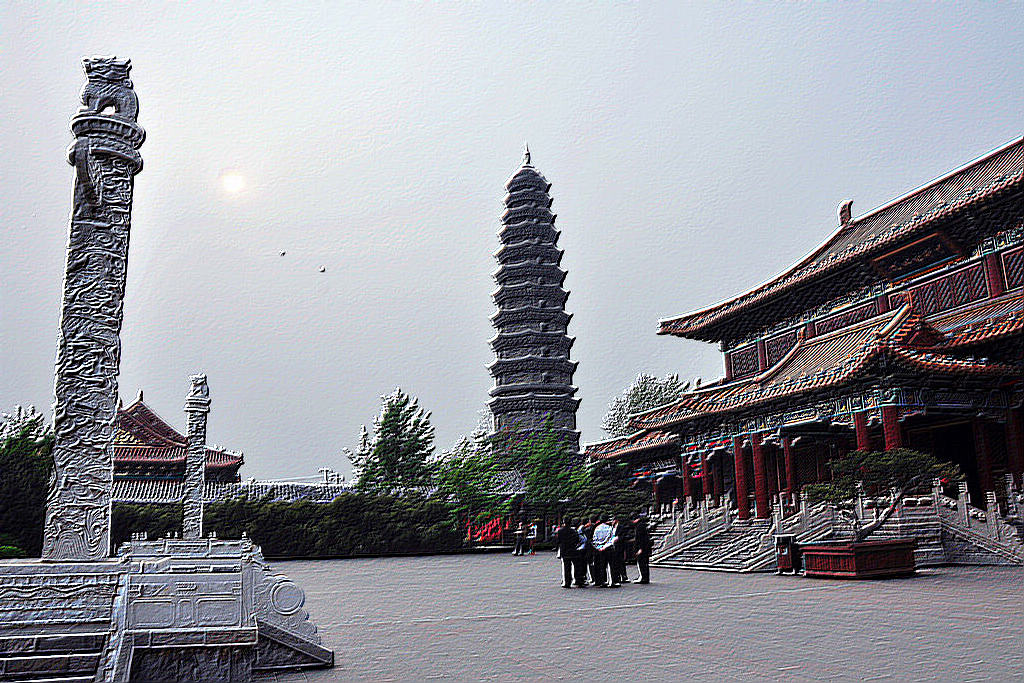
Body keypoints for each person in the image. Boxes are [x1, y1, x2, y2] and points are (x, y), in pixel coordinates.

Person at [591, 515, 619, 587]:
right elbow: (612, 539)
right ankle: (612, 581)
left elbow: (594, 539)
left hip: (600, 549)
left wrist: (599, 547)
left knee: (602, 565)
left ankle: (603, 581)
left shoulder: (597, 528)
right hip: (609, 548)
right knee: (611, 565)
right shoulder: (610, 528)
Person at [555, 517, 580, 588]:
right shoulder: (573, 531)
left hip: (564, 550)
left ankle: (567, 582)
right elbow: (577, 540)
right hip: (572, 550)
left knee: (566, 567)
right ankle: (577, 580)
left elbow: (558, 541)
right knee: (576, 566)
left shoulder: (560, 531)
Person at [632, 514, 652, 584]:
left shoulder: (639, 527)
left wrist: (640, 548)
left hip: (642, 548)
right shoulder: (642, 526)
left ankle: (643, 577)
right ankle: (644, 577)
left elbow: (640, 539)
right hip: (645, 548)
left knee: (642, 563)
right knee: (644, 563)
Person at [610, 517, 630, 584]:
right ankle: (617, 576)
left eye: (612, 520)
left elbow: (623, 536)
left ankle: (624, 576)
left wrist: (618, 539)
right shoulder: (611, 528)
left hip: (619, 546)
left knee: (621, 561)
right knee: (615, 562)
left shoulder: (621, 527)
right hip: (613, 547)